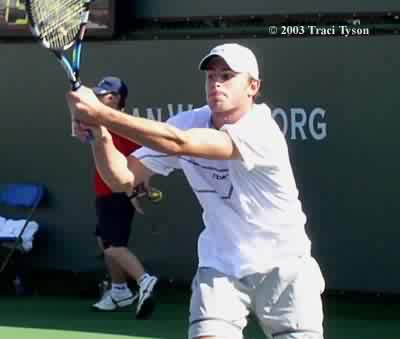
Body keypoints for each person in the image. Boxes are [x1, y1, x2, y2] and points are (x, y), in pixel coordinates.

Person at [67, 44, 325, 338]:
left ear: (253, 86)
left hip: (285, 268)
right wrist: (100, 136)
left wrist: (100, 113)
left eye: (227, 75)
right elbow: (123, 178)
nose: (216, 82)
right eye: (211, 75)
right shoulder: (189, 122)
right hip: (220, 266)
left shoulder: (260, 129)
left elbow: (180, 144)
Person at [88, 76, 158, 319]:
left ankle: (144, 281)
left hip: (117, 193)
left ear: (117, 99)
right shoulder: (101, 121)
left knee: (113, 247)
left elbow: (139, 159)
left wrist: (135, 189)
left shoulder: (124, 126)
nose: (99, 98)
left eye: (104, 94)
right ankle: (120, 291)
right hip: (104, 193)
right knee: (104, 241)